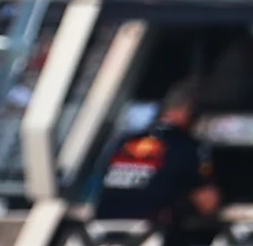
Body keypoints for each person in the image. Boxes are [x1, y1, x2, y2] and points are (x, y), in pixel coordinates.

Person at [91, 80, 218, 237]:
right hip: (151, 238)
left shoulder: (123, 142)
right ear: (188, 111)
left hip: (100, 235)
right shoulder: (188, 146)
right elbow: (208, 204)